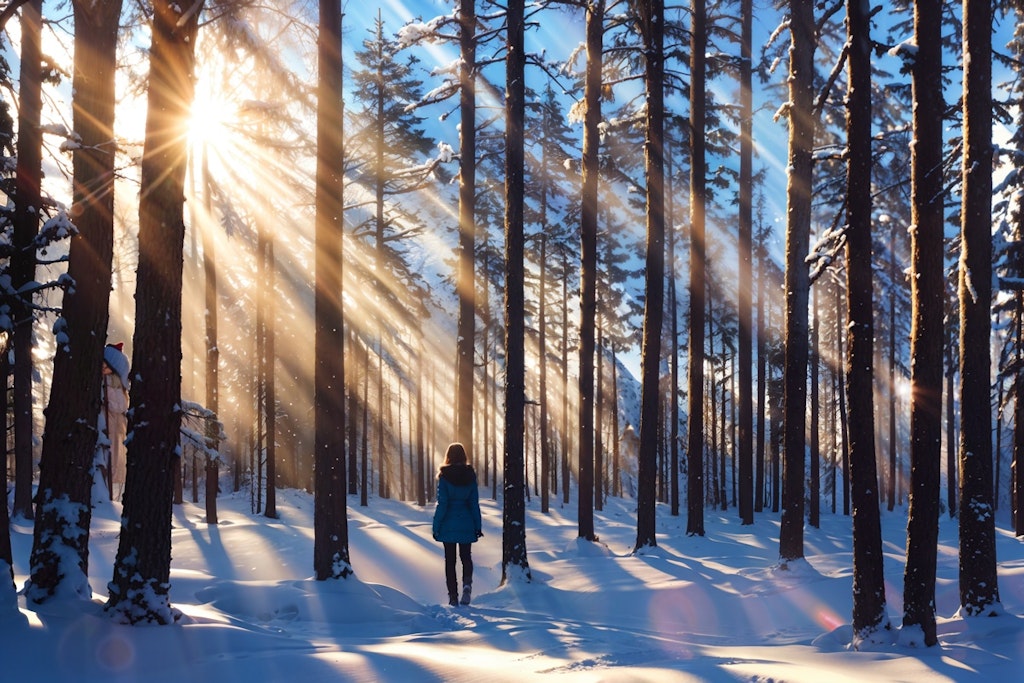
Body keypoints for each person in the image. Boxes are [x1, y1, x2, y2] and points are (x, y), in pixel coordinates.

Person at [432, 442, 483, 606]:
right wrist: (477, 526)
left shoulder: (444, 476)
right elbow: (474, 503)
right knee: (466, 557)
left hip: (448, 524)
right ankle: (467, 585)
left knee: (450, 561)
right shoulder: (470, 476)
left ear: (448, 456)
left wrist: (436, 526)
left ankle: (453, 596)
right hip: (467, 522)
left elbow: (443, 504)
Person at [99, 342, 130, 500]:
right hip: (107, 429)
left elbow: (118, 406)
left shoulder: (116, 386)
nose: (103, 368)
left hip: (116, 430)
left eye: (106, 365)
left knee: (115, 462)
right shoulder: (102, 384)